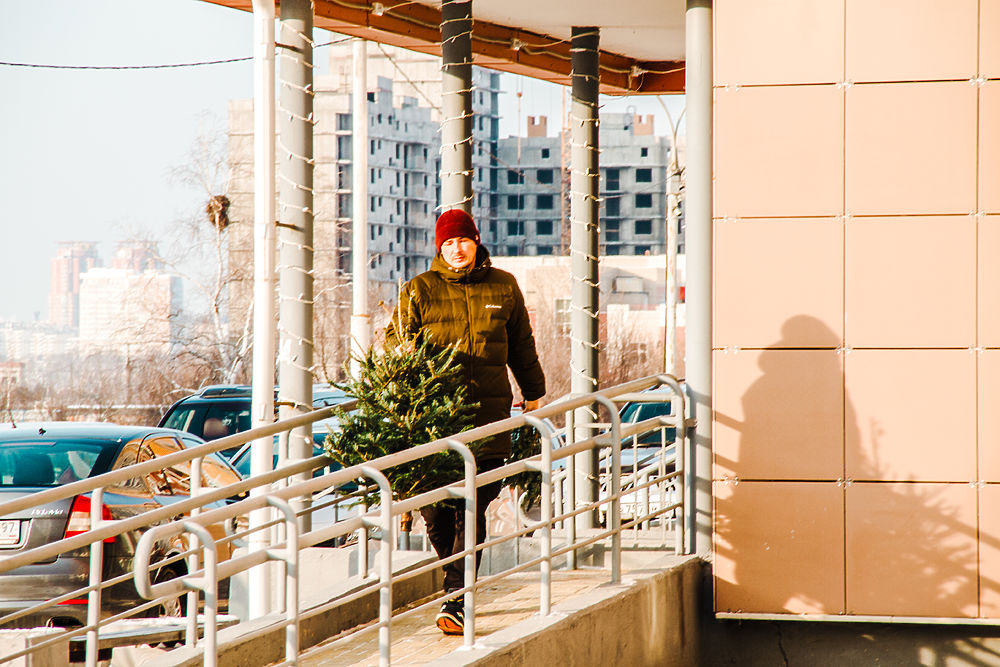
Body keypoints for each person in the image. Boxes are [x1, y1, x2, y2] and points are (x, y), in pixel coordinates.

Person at [386, 208, 546, 635]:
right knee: (436, 513)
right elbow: (395, 342)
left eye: (464, 240)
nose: (457, 249)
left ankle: (456, 596)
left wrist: (534, 393)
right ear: (440, 248)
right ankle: (455, 585)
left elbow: (522, 345)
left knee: (470, 505)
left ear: (476, 242)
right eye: (449, 242)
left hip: (488, 418)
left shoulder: (504, 286)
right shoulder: (419, 290)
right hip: (435, 422)